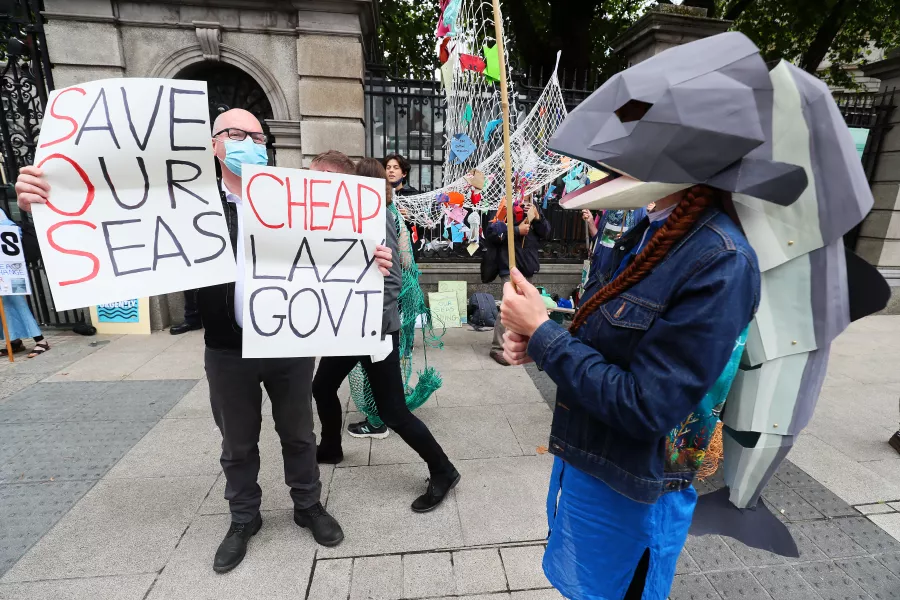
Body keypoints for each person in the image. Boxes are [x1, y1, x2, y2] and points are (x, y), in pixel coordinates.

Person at [14, 109, 396, 575]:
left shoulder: (295, 199)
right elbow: (104, 221)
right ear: (214, 144)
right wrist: (42, 208)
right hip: (226, 349)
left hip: (288, 342)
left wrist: (368, 260)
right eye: (235, 134)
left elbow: (339, 253)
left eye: (257, 135)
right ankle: (243, 517)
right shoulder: (184, 202)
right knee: (237, 442)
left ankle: (308, 505)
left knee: (299, 433)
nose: (248, 142)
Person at [499, 185, 759, 599]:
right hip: (594, 462)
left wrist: (546, 337)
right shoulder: (648, 228)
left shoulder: (720, 258)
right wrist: (542, 339)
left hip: (639, 487)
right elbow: (620, 344)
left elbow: (649, 405)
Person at [311, 152, 459, 513]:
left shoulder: (378, 217)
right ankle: (330, 446)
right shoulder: (341, 217)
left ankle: (444, 470)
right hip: (350, 328)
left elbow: (391, 281)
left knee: (393, 412)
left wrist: (370, 323)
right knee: (322, 386)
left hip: (374, 331)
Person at [483, 196, 550, 365]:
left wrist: (538, 218)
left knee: (526, 307)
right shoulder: (504, 204)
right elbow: (490, 232)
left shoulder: (534, 206)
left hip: (528, 264)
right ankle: (498, 348)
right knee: (509, 305)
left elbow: (547, 233)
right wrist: (516, 230)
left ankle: (520, 345)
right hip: (509, 265)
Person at [0, 208, 49, 358]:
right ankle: (15, 341)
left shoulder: (8, 226)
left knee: (17, 303)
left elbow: (12, 243)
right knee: (5, 306)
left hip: (11, 271)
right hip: (8, 270)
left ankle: (41, 341)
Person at [582, 206, 647, 286]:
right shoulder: (610, 211)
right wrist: (590, 222)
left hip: (620, 273)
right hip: (600, 271)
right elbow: (599, 240)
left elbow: (642, 243)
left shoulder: (640, 211)